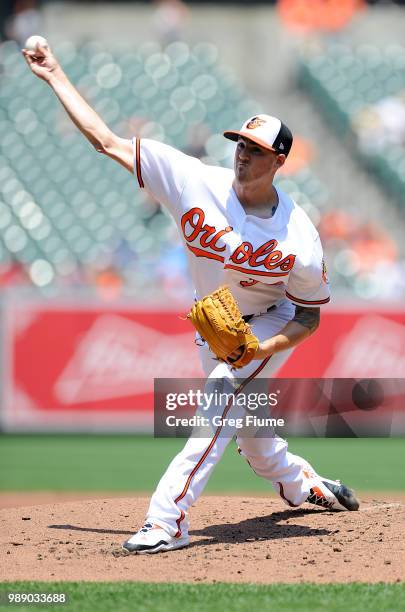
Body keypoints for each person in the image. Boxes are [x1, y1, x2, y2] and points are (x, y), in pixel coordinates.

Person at [23, 42, 359, 555]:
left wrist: (263, 350)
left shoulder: (300, 238)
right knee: (251, 436)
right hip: (214, 327)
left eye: (256, 149)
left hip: (268, 322)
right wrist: (55, 76)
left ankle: (167, 521)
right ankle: (302, 484)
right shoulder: (192, 180)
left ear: (280, 161)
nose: (243, 153)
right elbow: (106, 142)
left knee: (221, 397)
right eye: (240, 143)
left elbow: (309, 317)